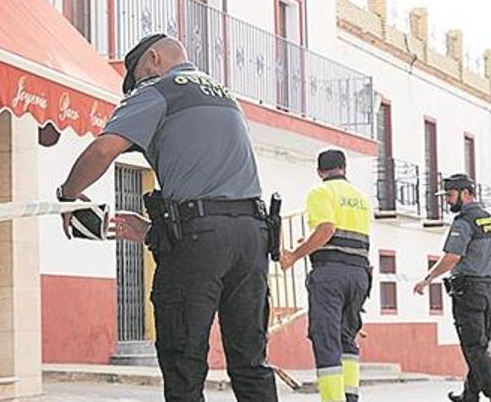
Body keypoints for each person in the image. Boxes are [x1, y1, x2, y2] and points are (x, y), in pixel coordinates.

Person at [56, 34, 278, 401]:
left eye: (140, 74)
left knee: (183, 362)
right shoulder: (226, 96)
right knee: (251, 361)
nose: (140, 83)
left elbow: (103, 149)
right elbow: (212, 180)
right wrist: (154, 230)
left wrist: (67, 196)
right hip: (252, 236)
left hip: (199, 241)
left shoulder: (160, 89)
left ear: (155, 59)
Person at [413, 173, 491, 402]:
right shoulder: (489, 220)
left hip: (470, 292)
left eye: (450, 195)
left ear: (467, 193)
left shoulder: (464, 222)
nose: (448, 201)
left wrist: (427, 278)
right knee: (479, 345)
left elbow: (452, 257)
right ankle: (470, 395)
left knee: (474, 348)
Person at [280, 149, 371, 402]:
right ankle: (349, 396)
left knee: (326, 337)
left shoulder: (320, 192)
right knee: (347, 338)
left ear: (319, 171)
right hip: (360, 275)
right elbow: (342, 235)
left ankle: (333, 399)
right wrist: (311, 242)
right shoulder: (361, 197)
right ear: (344, 168)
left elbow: (327, 229)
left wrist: (294, 255)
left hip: (331, 275)